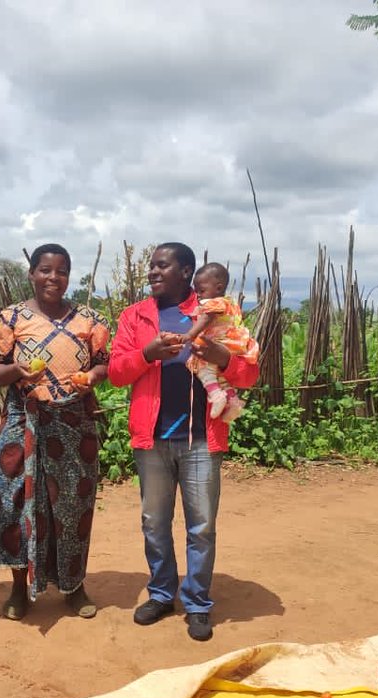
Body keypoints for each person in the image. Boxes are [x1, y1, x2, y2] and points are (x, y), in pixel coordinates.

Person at [107, 242, 259, 641]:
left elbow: (248, 374)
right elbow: (117, 373)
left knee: (202, 526)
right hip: (151, 439)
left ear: (186, 271)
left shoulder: (215, 310)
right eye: (151, 266)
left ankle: (197, 603)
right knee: (154, 523)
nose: (153, 272)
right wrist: (148, 353)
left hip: (201, 440)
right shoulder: (135, 316)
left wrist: (222, 357)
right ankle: (161, 593)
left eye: (162, 266)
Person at [0, 244, 111, 620]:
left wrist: (91, 377)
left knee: (74, 506)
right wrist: (15, 371)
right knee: (15, 503)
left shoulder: (90, 320)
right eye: (45, 270)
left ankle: (73, 585)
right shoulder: (8, 319)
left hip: (74, 423)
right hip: (24, 421)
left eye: (61, 271)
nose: (53, 277)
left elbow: (104, 365)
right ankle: (18, 588)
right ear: (31, 274)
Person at [180, 262, 258, 423]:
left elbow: (206, 318)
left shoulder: (214, 303)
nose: (198, 295)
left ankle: (216, 394)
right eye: (196, 290)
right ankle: (233, 401)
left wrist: (190, 335)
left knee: (201, 365)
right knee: (220, 374)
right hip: (235, 343)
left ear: (218, 288)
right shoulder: (230, 303)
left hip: (221, 342)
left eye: (201, 290)